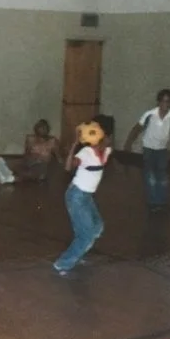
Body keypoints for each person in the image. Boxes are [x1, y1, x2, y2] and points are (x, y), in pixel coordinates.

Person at [54, 116, 115, 276]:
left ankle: (78, 251)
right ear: (102, 136)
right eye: (108, 137)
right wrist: (75, 144)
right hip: (76, 196)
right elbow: (68, 167)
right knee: (87, 234)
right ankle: (62, 264)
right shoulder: (86, 152)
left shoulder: (107, 151)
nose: (110, 140)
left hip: (86, 196)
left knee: (97, 226)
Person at [122, 89, 170, 211]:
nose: (165, 104)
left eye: (168, 101)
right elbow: (137, 128)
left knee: (162, 176)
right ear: (158, 102)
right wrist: (128, 143)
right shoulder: (149, 115)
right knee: (150, 175)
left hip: (162, 150)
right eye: (163, 101)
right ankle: (152, 201)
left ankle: (162, 201)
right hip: (148, 148)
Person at [0, 120, 62, 185]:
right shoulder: (30, 139)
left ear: (48, 129)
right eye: (40, 127)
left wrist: (62, 167)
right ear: (35, 129)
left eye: (44, 128)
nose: (42, 130)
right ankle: (7, 170)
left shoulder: (53, 141)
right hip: (29, 162)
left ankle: (11, 178)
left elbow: (58, 157)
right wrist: (30, 159)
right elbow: (26, 154)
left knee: (31, 173)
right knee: (19, 167)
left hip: (41, 165)